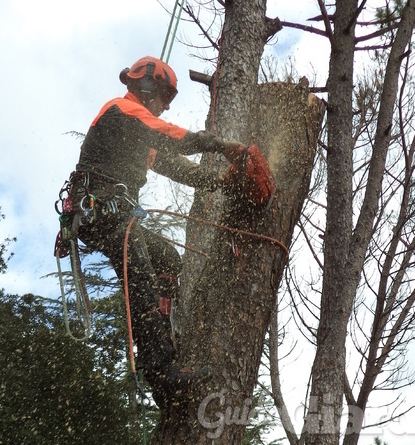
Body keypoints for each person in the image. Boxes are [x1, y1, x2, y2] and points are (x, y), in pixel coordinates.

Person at [63, 56, 266, 407]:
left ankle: (164, 345)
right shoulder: (121, 111)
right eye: (163, 97)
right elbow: (172, 137)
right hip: (99, 210)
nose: (165, 106)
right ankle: (160, 370)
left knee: (166, 259)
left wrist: (222, 183)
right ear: (145, 87)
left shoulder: (141, 133)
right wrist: (220, 146)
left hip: (113, 214)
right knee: (140, 274)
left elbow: (178, 168)